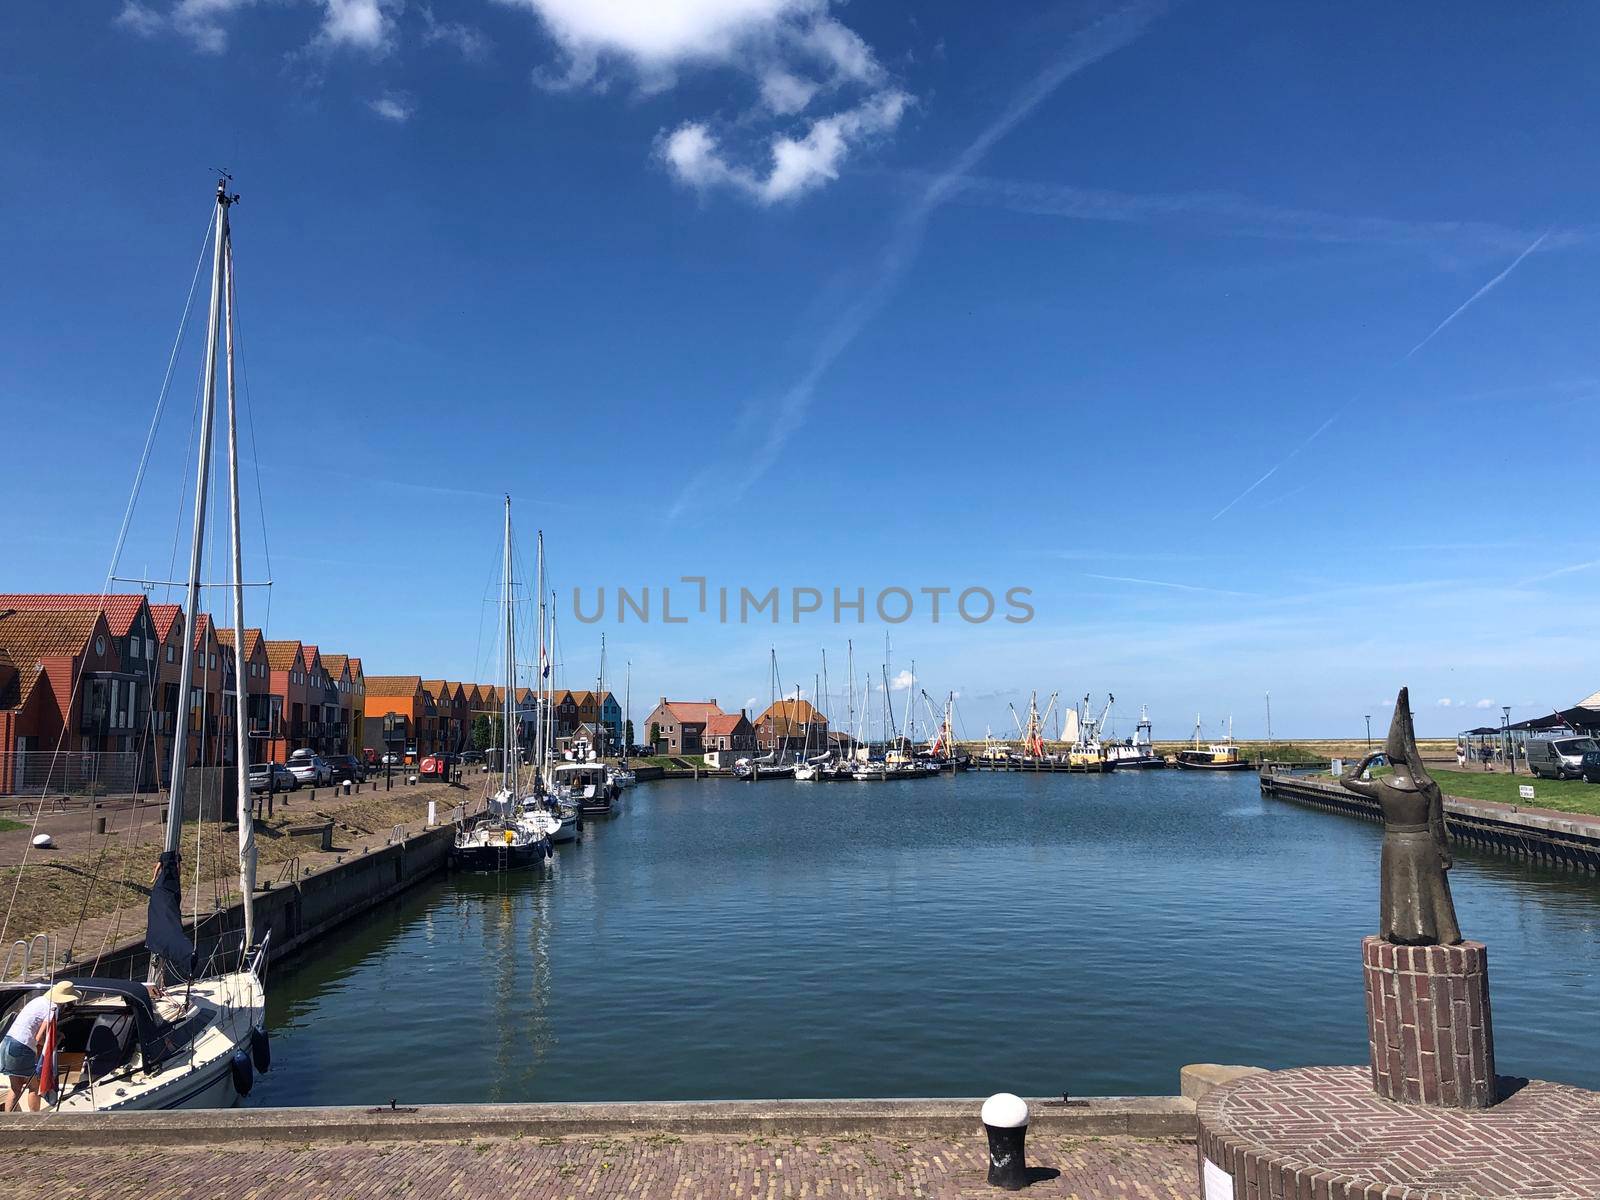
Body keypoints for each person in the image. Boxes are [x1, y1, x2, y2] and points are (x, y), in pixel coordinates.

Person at [2, 981, 81, 1112]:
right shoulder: (53, 1008)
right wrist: (54, 1042)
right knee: (34, 1086)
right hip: (22, 1046)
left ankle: (7, 1121)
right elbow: (39, 1038)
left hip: (7, 1042)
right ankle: (35, 1119)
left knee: (15, 1087)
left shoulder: (38, 1000)